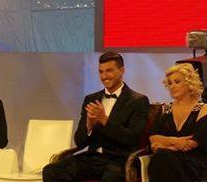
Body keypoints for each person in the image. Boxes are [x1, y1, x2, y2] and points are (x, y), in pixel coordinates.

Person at [43, 51, 150, 182]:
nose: (104, 76)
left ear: (121, 70)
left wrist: (105, 120)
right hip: (92, 158)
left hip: (119, 160)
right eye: (101, 72)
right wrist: (89, 126)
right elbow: (79, 142)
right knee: (51, 170)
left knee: (112, 177)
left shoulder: (138, 100)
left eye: (109, 71)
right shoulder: (91, 99)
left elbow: (132, 138)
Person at [147, 63, 207, 182]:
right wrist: (175, 141)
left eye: (177, 82)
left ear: (189, 83)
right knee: (162, 159)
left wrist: (164, 146)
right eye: (170, 83)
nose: (172, 86)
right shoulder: (165, 109)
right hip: (166, 161)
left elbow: (193, 143)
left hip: (193, 164)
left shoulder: (203, 108)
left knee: (162, 158)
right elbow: (153, 137)